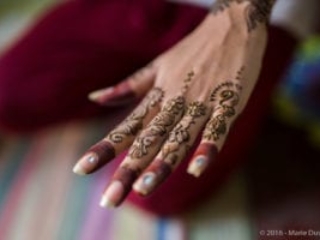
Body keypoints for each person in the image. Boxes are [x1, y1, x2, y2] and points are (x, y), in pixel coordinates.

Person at [0, 0, 318, 215]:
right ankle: (142, 81)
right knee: (8, 98)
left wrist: (236, 23)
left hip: (262, 19)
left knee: (150, 191)